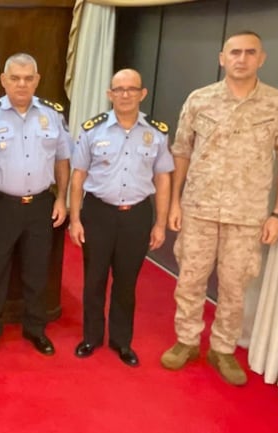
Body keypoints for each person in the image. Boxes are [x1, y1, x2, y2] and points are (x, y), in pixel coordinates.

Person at [160, 30, 278, 385]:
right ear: (222, 58)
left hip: (247, 216)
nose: (241, 59)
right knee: (190, 280)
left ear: (262, 58)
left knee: (234, 286)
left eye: (250, 53)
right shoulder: (200, 100)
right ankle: (186, 341)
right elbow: (181, 152)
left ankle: (223, 348)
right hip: (198, 208)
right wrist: (175, 202)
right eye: (235, 52)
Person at [68, 69, 173, 367]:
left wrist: (161, 223)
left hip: (137, 215)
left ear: (143, 94)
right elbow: (78, 177)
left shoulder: (157, 132)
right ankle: (90, 337)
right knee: (94, 279)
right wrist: (75, 220)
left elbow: (163, 178)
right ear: (109, 94)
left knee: (126, 282)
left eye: (131, 89)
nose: (125, 94)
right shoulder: (93, 130)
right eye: (119, 89)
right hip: (98, 212)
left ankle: (121, 341)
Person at [0, 53, 71, 357]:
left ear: (37, 80)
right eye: (15, 78)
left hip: (41, 204)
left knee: (37, 270)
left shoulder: (53, 115)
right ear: (4, 80)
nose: (22, 84)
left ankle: (35, 328)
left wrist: (62, 198)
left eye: (29, 78)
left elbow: (63, 160)